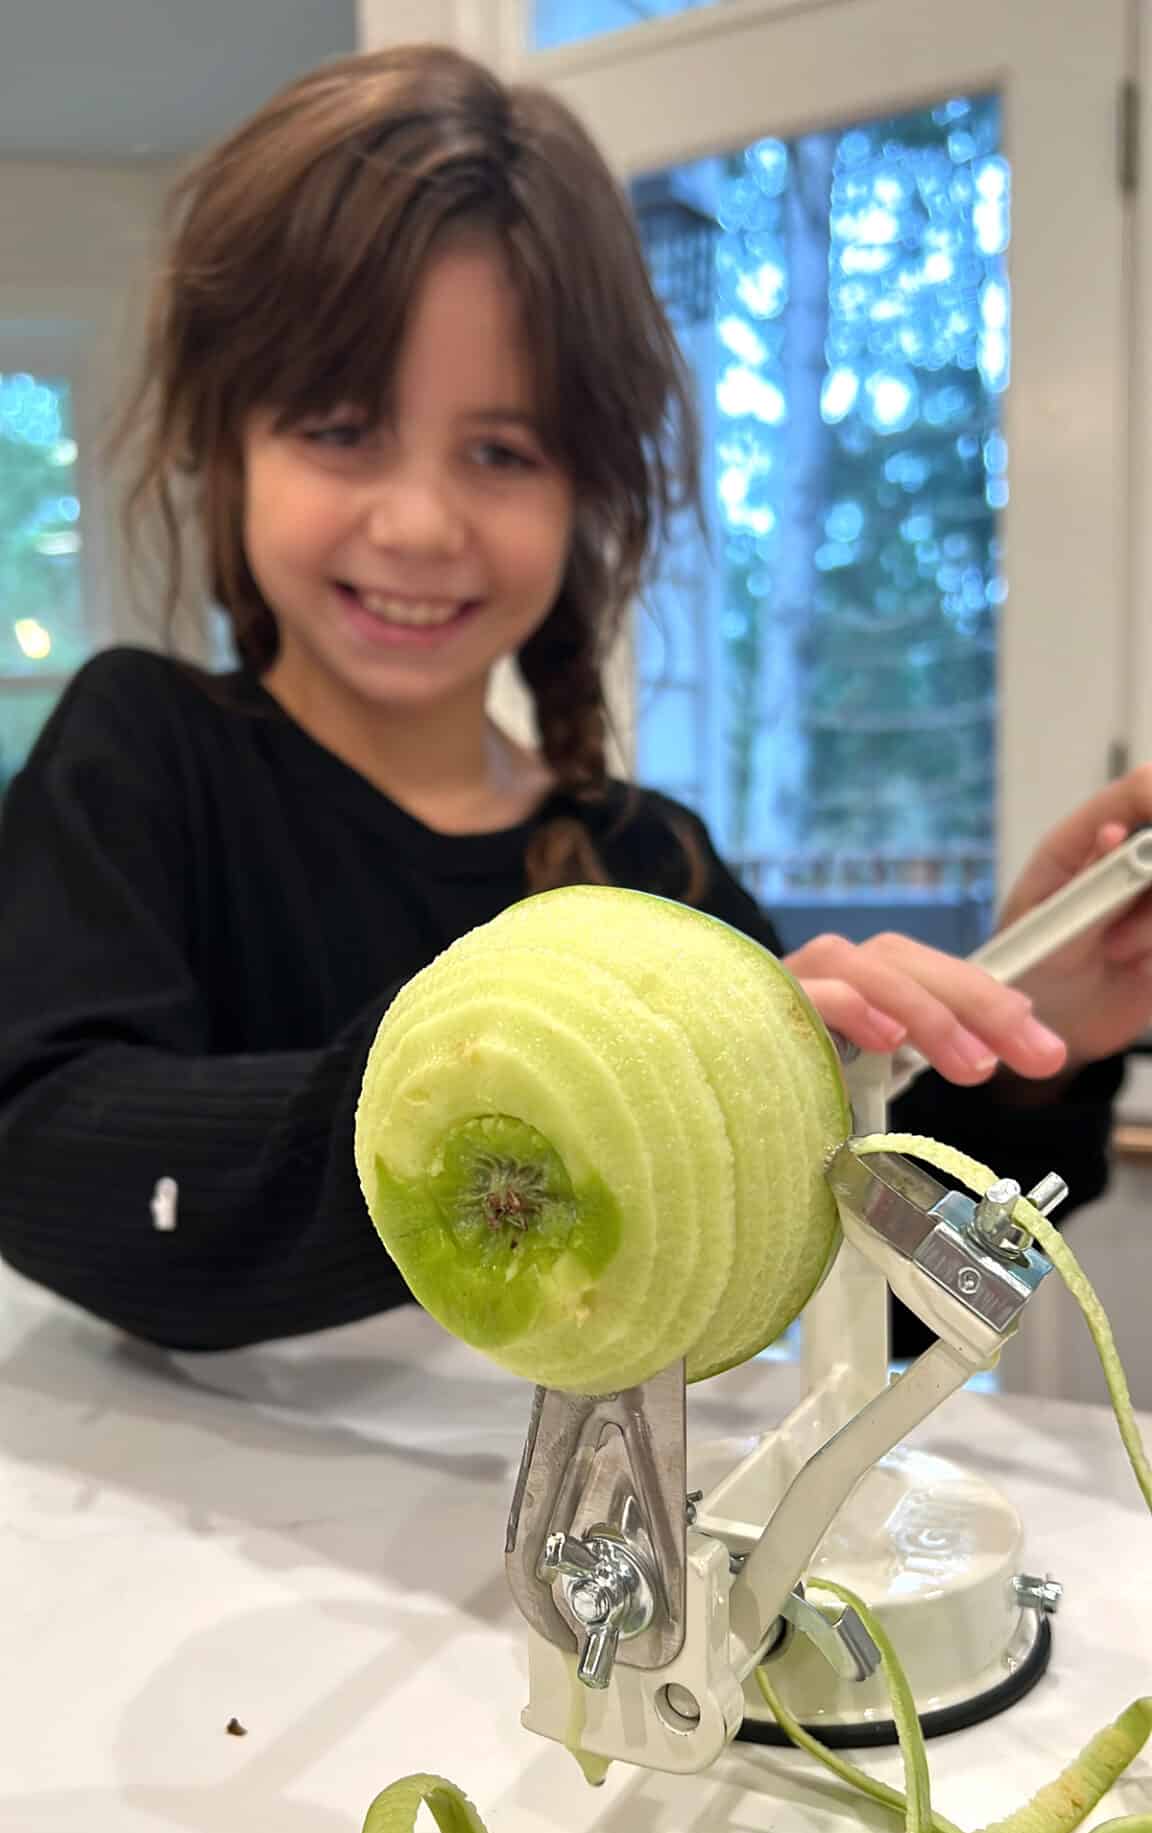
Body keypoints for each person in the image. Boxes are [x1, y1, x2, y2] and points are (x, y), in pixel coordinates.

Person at [0, 42, 1150, 1365]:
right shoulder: (144, 750)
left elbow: (859, 1289)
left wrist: (1036, 1034)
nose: (422, 522)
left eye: (501, 451)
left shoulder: (652, 864)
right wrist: (541, 1093)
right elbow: (49, 1153)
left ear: (585, 495)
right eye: (337, 426)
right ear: (225, 448)